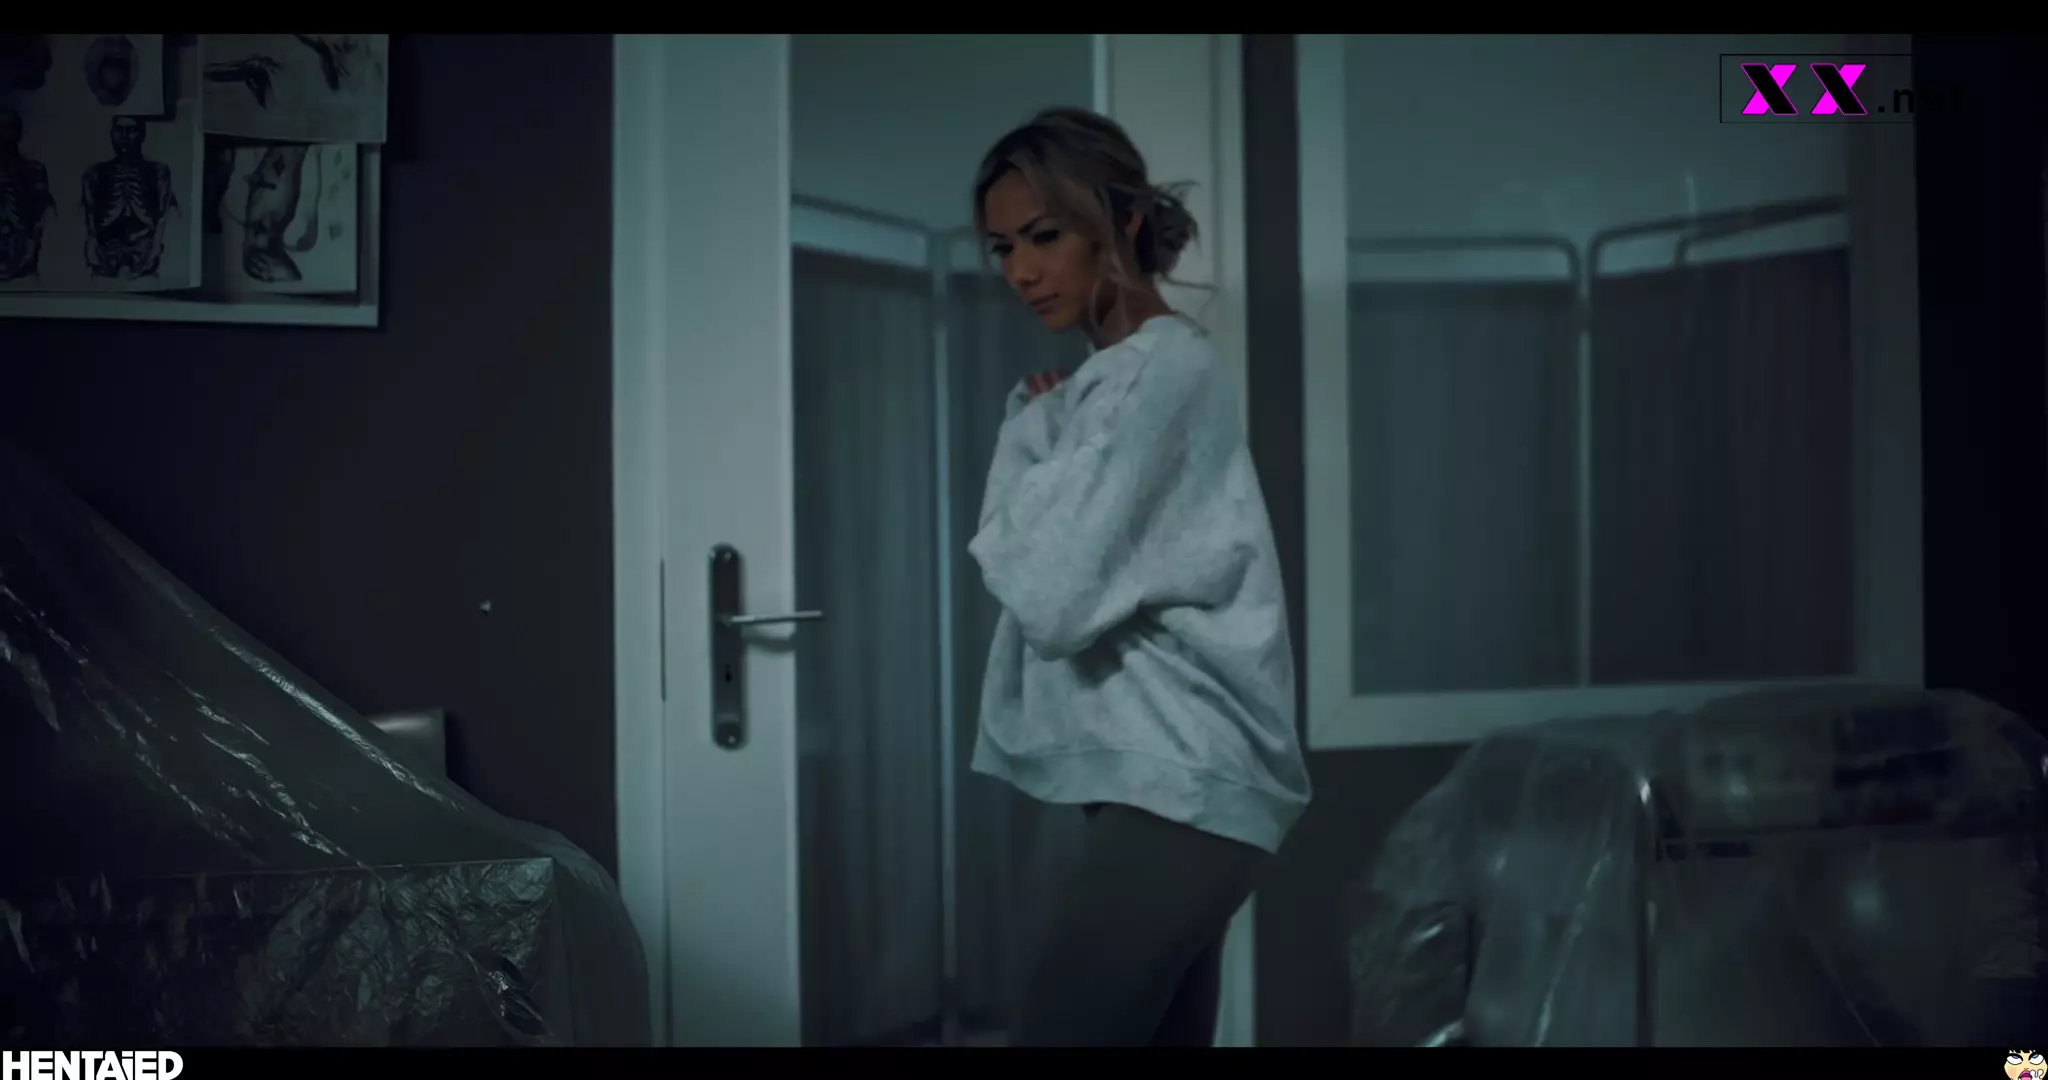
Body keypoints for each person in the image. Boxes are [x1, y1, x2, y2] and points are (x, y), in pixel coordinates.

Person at [966, 106, 1312, 1047]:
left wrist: (1025, 430)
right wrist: (1054, 419)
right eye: (1003, 247)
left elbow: (1051, 595)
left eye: (1045, 235)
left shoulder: (1155, 373)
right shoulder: (1117, 380)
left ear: (1119, 223)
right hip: (1177, 780)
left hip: (1186, 784)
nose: (1021, 270)